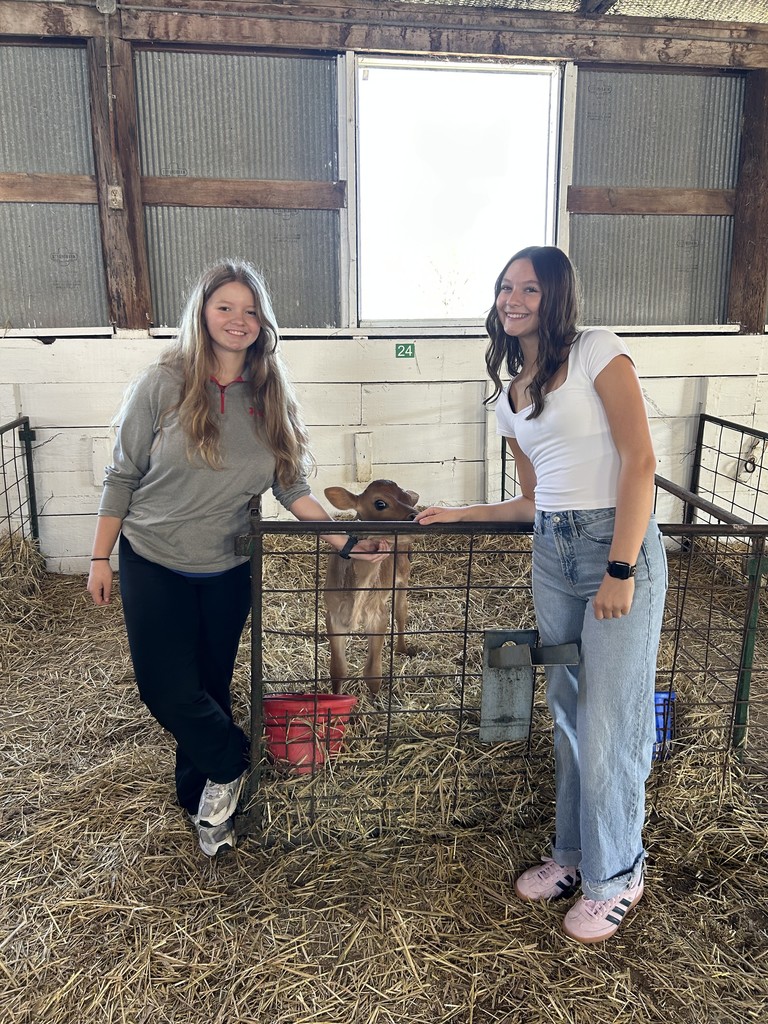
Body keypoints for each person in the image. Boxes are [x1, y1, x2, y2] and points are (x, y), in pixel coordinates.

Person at [87, 259, 387, 857]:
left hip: (227, 566)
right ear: (202, 313)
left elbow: (292, 488)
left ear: (262, 323)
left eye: (250, 311)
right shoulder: (162, 384)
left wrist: (347, 540)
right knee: (163, 687)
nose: (238, 320)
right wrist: (100, 557)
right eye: (225, 307)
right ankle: (233, 759)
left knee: (209, 686)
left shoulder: (272, 393)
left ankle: (205, 805)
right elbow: (121, 475)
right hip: (152, 555)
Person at [416, 245, 667, 943]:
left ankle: (619, 876)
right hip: (552, 550)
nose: (511, 297)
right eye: (504, 287)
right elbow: (534, 501)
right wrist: (461, 514)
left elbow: (641, 461)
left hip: (613, 545)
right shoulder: (510, 393)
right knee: (566, 709)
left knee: (611, 714)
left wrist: (620, 568)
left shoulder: (597, 351)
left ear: (555, 295)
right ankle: (574, 854)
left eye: (528, 287)